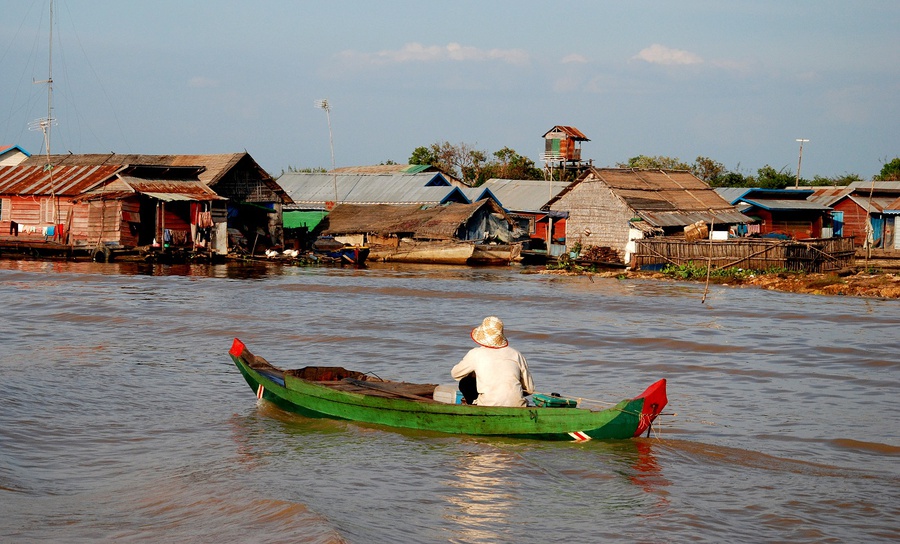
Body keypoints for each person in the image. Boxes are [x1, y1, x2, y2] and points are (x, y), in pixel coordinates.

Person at [451, 316, 534, 407]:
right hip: (517, 405)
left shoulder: (476, 353)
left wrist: (473, 374)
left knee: (465, 382)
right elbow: (529, 389)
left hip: (488, 404)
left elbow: (455, 374)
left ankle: (474, 407)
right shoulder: (516, 354)